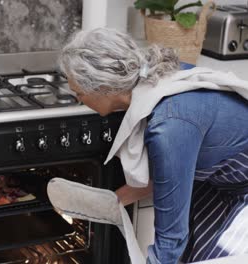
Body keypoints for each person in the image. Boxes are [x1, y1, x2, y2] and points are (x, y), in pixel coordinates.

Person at [56, 28, 248, 264]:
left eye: (79, 94)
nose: (78, 101)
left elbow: (170, 238)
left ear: (103, 88)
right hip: (220, 183)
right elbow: (168, 177)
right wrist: (111, 203)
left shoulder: (169, 126)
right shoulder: (160, 77)